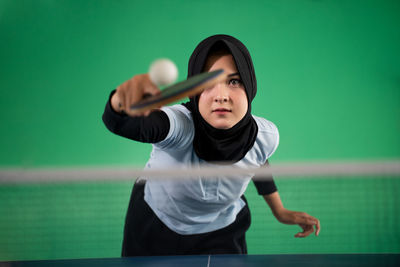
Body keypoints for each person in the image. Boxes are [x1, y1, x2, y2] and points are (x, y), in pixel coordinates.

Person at [102, 34, 320, 256]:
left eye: (234, 81)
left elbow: (257, 160)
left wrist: (279, 210)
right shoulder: (179, 126)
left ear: (250, 85)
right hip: (157, 224)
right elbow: (126, 123)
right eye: (207, 83)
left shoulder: (265, 135)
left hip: (222, 229)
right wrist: (122, 101)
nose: (221, 96)